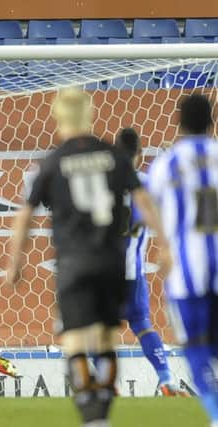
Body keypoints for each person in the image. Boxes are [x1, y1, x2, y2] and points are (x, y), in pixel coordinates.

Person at [7, 88, 172, 427]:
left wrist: (15, 261)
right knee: (111, 338)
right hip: (113, 263)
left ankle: (90, 415)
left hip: (73, 262)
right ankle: (107, 413)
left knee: (75, 340)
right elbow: (144, 202)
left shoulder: (53, 161)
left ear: (57, 118)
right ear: (91, 114)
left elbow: (26, 214)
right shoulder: (113, 157)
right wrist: (166, 245)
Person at [146, 94, 218, 426]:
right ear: (211, 121)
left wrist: (164, 246)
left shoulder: (165, 165)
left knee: (197, 350)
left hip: (185, 278)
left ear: (179, 123)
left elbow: (145, 211)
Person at [115, 127, 186, 397]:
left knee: (96, 327)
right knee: (142, 324)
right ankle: (166, 377)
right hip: (132, 270)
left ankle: (106, 382)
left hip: (100, 270)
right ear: (139, 153)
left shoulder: (102, 182)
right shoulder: (146, 183)